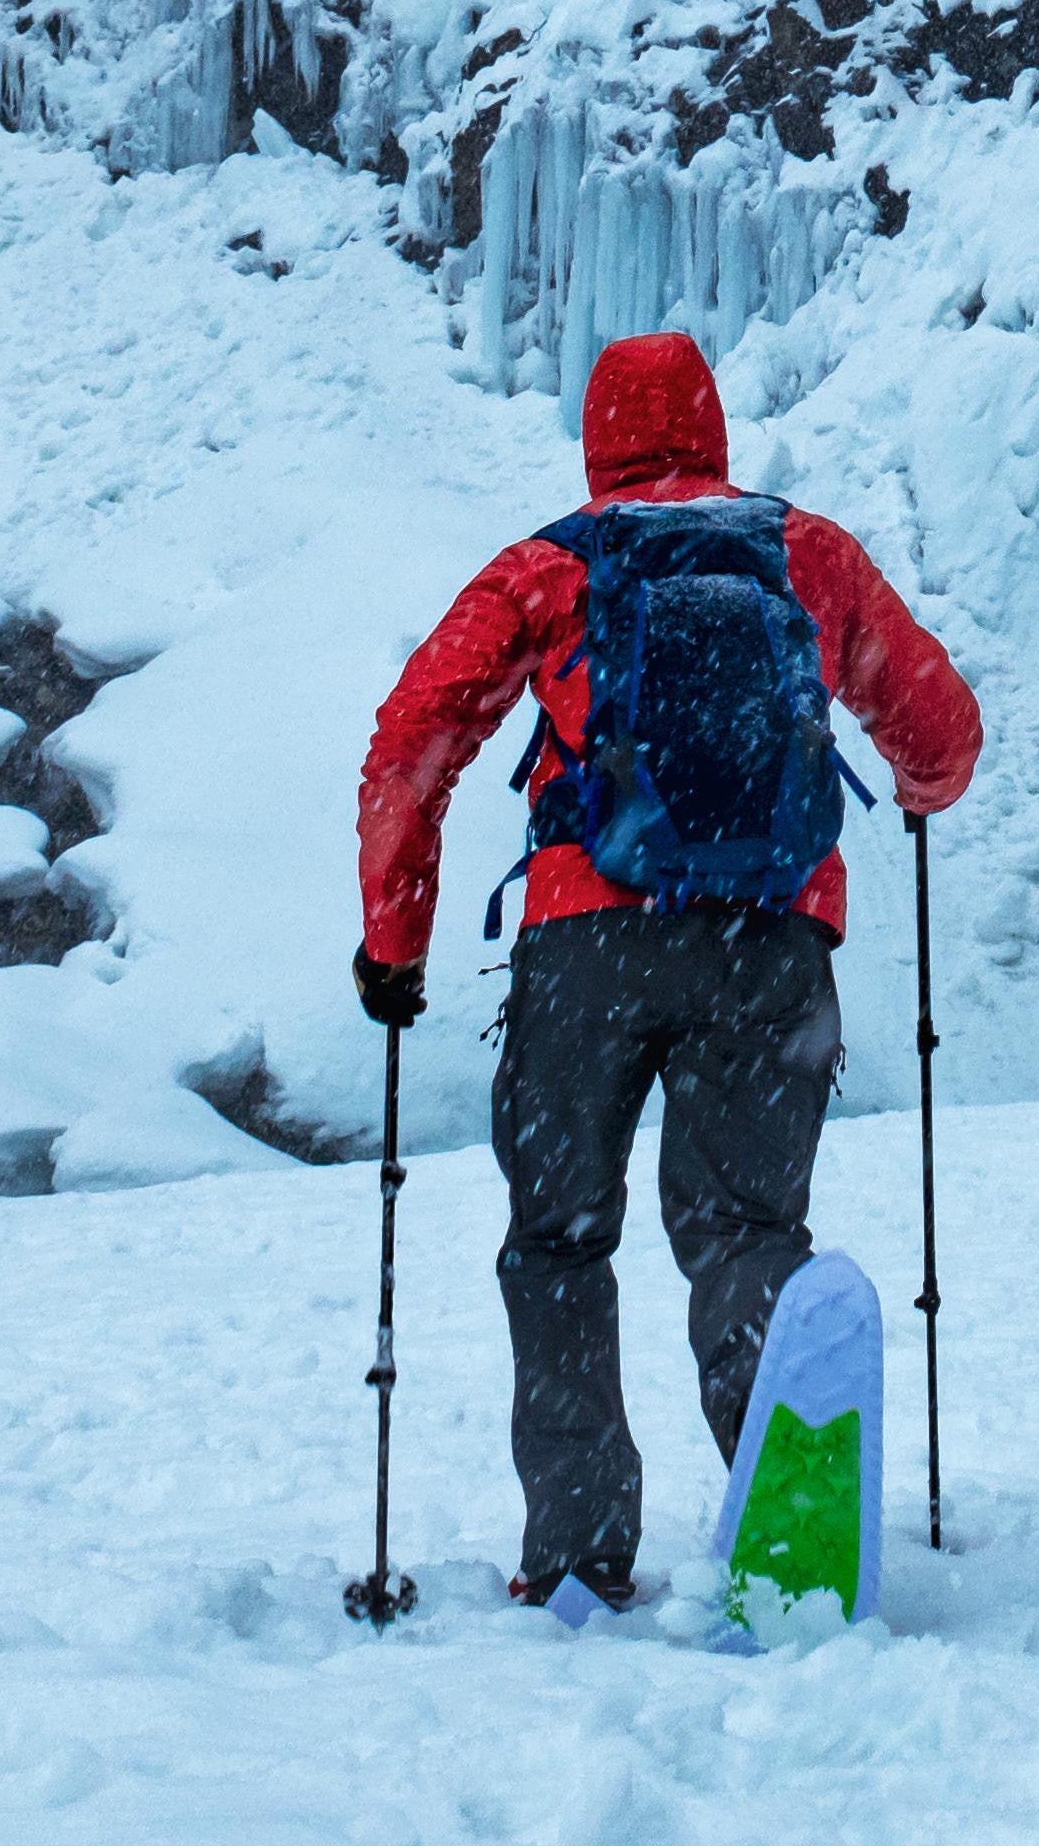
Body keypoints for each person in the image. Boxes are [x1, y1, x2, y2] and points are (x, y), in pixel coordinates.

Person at [352, 330, 981, 1607]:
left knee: (558, 1240)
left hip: (586, 940)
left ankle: (580, 1551)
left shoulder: (553, 561)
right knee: (745, 1229)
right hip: (771, 938)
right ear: (711, 427)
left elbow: (413, 737)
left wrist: (394, 941)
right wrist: (916, 787)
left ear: (596, 437)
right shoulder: (802, 552)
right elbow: (942, 731)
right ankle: (781, 1515)